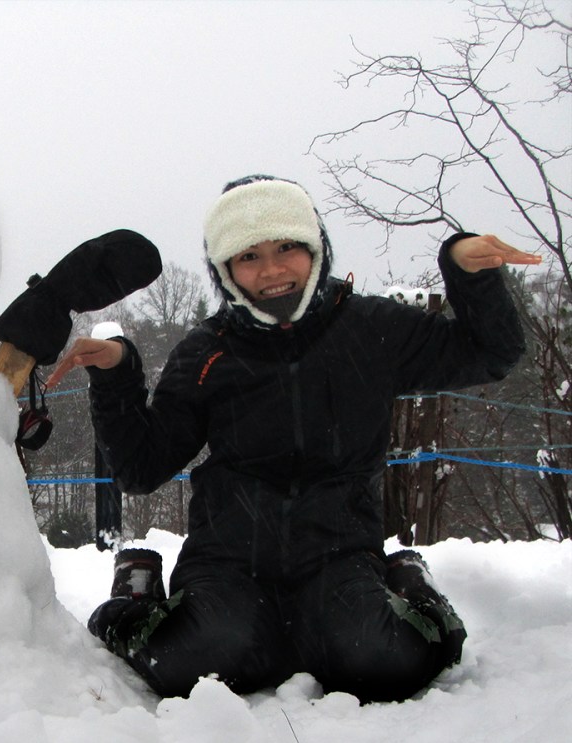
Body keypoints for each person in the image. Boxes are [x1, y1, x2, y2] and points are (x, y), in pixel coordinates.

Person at [45, 174, 541, 703]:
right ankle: (137, 587)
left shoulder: (371, 329)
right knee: (201, 659)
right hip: (229, 557)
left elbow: (490, 353)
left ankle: (409, 582)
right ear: (226, 271)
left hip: (339, 552)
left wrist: (467, 272)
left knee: (379, 661)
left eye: (287, 247)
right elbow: (140, 470)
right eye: (249, 256)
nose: (273, 269)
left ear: (317, 247)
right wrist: (119, 374)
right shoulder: (206, 352)